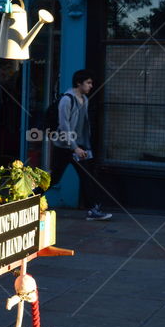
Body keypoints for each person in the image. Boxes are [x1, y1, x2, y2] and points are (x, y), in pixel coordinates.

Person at [49, 70, 112, 221]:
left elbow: (83, 125)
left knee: (86, 176)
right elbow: (64, 126)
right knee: (54, 179)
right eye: (88, 83)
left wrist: (83, 146)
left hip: (79, 146)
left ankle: (92, 210)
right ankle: (29, 198)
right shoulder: (67, 99)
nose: (91, 86)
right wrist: (74, 147)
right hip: (65, 147)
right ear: (79, 83)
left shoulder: (84, 98)